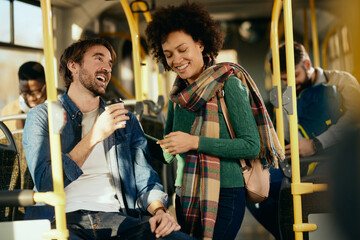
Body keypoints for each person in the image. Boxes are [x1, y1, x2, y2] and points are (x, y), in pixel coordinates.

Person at [23, 38, 194, 240]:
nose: (106, 68)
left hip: (118, 220)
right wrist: (95, 136)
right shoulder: (41, 117)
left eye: (110, 63)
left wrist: (160, 212)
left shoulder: (125, 119)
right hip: (61, 220)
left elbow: (145, 181)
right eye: (98, 59)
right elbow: (45, 183)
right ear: (73, 66)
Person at [145, 2, 284, 240]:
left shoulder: (229, 83)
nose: (176, 60)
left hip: (227, 193)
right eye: (168, 55)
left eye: (182, 49)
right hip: (185, 195)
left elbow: (251, 145)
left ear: (200, 43)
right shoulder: (178, 96)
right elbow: (168, 152)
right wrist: (131, 132)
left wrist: (195, 142)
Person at [247, 41, 360, 240]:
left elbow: (353, 121)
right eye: (284, 80)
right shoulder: (287, 93)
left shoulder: (342, 82)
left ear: (307, 65)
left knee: (311, 195)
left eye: (295, 76)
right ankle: (286, 233)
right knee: (252, 189)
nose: (291, 83)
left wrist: (317, 144)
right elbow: (287, 133)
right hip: (294, 161)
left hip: (332, 159)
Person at [1, 61, 46, 131]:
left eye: (36, 92)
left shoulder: (61, 104)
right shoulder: (8, 112)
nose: (31, 98)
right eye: (25, 93)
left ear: (45, 86)